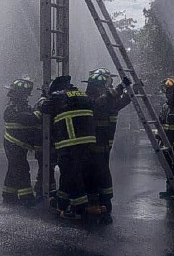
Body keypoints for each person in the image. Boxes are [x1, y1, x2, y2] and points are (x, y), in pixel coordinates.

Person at [39, 74, 95, 220]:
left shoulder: (58, 96)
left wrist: (42, 97)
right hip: (88, 142)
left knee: (73, 175)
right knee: (69, 175)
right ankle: (62, 202)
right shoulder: (82, 94)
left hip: (70, 143)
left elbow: (44, 107)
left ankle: (79, 209)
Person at [85, 69, 132, 215]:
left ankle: (103, 202)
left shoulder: (105, 99)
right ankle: (97, 201)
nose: (109, 85)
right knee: (95, 172)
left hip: (102, 143)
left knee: (101, 171)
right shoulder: (92, 100)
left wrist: (132, 91)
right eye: (107, 82)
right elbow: (105, 101)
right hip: (95, 143)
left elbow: (118, 102)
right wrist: (121, 87)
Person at [2, 78, 42, 206]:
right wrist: (40, 111)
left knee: (13, 168)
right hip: (14, 144)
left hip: (16, 144)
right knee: (22, 169)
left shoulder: (18, 106)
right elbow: (30, 119)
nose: (26, 97)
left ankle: (9, 195)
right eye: (25, 94)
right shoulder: (15, 108)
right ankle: (27, 198)